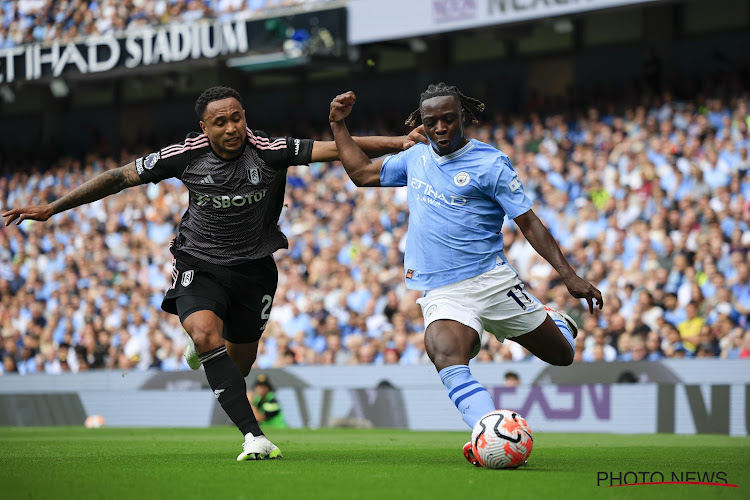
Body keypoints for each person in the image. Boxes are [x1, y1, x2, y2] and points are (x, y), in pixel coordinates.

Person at [3, 85, 424, 461]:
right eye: (220, 122)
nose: (231, 128)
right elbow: (117, 178)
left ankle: (204, 348)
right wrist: (51, 208)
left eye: (236, 118)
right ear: (204, 127)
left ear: (245, 118)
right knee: (206, 335)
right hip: (199, 264)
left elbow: (339, 148)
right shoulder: (184, 154)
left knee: (238, 365)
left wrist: (400, 143)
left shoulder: (269, 149)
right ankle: (253, 436)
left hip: (254, 269)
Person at [328, 83, 603, 467]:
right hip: (442, 288)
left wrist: (569, 276)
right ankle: (488, 431)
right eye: (431, 121)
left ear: (463, 117)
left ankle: (556, 322)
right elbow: (360, 173)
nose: (440, 127)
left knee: (562, 356)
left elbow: (529, 223)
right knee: (443, 350)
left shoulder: (491, 165)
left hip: (492, 283)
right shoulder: (416, 158)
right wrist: (338, 125)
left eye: (448, 118)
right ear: (420, 123)